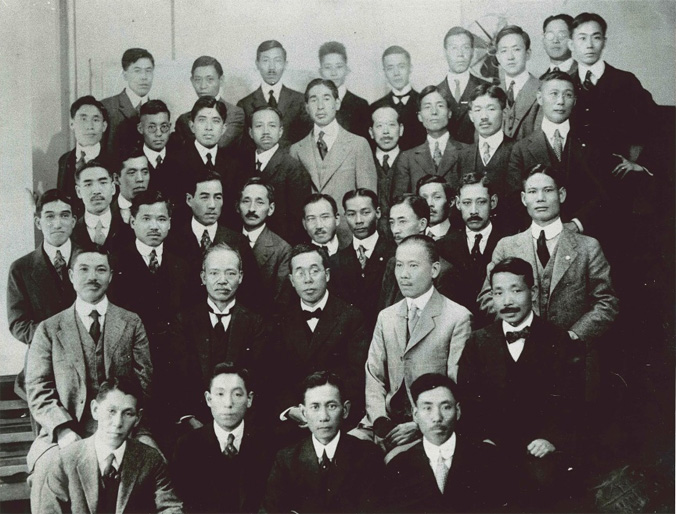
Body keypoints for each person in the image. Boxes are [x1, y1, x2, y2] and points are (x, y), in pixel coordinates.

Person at [25, 246, 154, 512]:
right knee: (47, 469)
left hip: (123, 426)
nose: (92, 277)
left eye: (100, 270)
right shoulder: (49, 329)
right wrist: (62, 430)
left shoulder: (131, 323)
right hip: (66, 431)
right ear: (71, 275)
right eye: (84, 269)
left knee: (155, 462)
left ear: (111, 276)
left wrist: (123, 425)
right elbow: (38, 389)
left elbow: (144, 379)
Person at [478, 165, 619, 396]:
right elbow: (487, 297)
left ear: (561, 195)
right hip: (518, 357)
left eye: (548, 190)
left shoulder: (588, 247)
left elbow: (606, 303)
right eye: (532, 191)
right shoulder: (507, 246)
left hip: (574, 362)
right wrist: (519, 327)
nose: (540, 198)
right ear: (523, 198)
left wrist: (572, 337)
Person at [459, 257, 584, 510]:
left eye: (516, 290)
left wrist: (550, 438)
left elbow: (571, 401)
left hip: (540, 448)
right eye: (498, 293)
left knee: (541, 486)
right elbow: (468, 399)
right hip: (493, 446)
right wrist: (483, 439)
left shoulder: (558, 339)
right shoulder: (478, 342)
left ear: (533, 292)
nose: (507, 301)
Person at [359, 235, 471, 452]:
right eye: (399, 265)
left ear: (434, 270)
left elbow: (454, 385)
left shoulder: (458, 318)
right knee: (347, 453)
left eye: (413, 266)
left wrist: (420, 424)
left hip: (428, 425)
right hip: (382, 421)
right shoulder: (386, 316)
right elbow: (374, 375)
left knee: (394, 461)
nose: (404, 274)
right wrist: (380, 421)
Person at [41, 377, 183, 513]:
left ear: (138, 418)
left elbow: (170, 507)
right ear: (95, 410)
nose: (118, 423)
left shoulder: (151, 460)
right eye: (111, 411)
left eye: (128, 414)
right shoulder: (64, 460)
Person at [170, 244, 269, 428]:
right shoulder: (183, 321)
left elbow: (259, 379)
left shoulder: (255, 323)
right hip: (194, 423)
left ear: (240, 277)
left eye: (230, 273)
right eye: (214, 273)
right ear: (203, 277)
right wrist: (191, 419)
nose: (222, 281)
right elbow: (176, 377)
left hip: (242, 422)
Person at [275, 245, 368, 434]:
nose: (308, 279)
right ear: (292, 280)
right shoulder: (280, 320)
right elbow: (275, 375)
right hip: (296, 422)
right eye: (300, 273)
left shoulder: (352, 317)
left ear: (327, 274)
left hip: (339, 421)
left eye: (314, 271)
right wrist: (290, 409)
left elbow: (357, 376)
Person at [262, 371, 384, 513]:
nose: (323, 417)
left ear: (345, 410)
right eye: (315, 407)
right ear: (304, 413)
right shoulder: (286, 459)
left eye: (331, 406)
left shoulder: (367, 455)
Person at [383, 374, 501, 513]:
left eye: (446, 407)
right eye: (427, 408)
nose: (437, 417)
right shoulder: (399, 466)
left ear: (458, 411)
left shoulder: (487, 457)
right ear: (415, 415)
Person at [508, 70, 606, 236]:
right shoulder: (521, 149)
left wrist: (576, 224)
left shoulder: (591, 145)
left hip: (583, 234)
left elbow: (601, 194)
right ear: (540, 98)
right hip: (537, 235)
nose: (560, 101)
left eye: (568, 95)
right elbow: (515, 197)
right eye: (554, 94)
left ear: (575, 101)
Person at [172, 362, 274, 513]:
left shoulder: (269, 445)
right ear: (208, 399)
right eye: (220, 394)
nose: (228, 403)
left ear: (249, 399)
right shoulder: (187, 446)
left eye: (237, 394)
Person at [7, 190, 78, 401]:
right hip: (44, 362)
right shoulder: (21, 268)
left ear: (74, 221)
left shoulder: (92, 258)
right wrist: (54, 336)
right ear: (38, 222)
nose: (57, 223)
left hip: (88, 360)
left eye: (64, 215)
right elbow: (18, 323)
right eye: (49, 216)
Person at [290, 78, 377, 243]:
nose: (320, 106)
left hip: (348, 237)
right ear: (306, 107)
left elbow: (368, 201)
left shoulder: (358, 144)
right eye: (314, 100)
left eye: (326, 98)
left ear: (337, 103)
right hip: (311, 239)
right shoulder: (296, 150)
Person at [568, 12, 657, 165]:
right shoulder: (566, 83)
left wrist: (639, 164)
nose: (589, 45)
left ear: (604, 42)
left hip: (616, 170)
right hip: (574, 169)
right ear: (571, 44)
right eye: (582, 38)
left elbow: (653, 124)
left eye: (596, 37)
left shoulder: (625, 81)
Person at [167, 171, 263, 311]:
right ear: (189, 200)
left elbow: (252, 293)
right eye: (204, 197)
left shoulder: (237, 241)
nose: (212, 205)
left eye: (218, 197)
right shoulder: (172, 241)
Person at [230, 105, 311, 244]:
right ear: (250, 132)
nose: (266, 132)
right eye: (259, 126)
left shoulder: (293, 168)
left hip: (279, 246)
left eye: (272, 126)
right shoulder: (240, 165)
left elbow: (297, 222)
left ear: (280, 131)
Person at [437, 173, 506, 322]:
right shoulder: (443, 247)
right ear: (458, 203)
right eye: (467, 203)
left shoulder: (508, 243)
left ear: (493, 202)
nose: (474, 210)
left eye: (481, 202)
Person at [378, 194, 461, 309]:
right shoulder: (392, 263)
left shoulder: (443, 271)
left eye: (402, 221)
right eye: (392, 222)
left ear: (422, 224)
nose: (395, 230)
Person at [329, 188, 396, 329]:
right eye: (351, 214)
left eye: (365, 213)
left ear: (378, 213)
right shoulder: (336, 261)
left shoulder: (394, 254)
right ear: (344, 216)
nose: (358, 221)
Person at [175, 96, 245, 228]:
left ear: (223, 128)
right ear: (192, 126)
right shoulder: (175, 162)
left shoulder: (235, 165)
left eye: (215, 121)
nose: (209, 127)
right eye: (202, 120)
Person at [457, 83, 518, 229]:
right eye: (478, 110)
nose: (484, 117)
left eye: (491, 109)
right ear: (471, 116)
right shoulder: (463, 155)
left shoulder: (518, 150)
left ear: (504, 113)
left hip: (511, 231)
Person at [390, 85, 467, 200]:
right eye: (427, 107)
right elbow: (400, 200)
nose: (434, 112)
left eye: (440, 106)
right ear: (420, 116)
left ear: (449, 113)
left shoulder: (467, 152)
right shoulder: (407, 158)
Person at [237, 40, 310, 146]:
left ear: (285, 64)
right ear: (257, 64)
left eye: (277, 60)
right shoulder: (244, 104)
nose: (271, 67)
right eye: (265, 60)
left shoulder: (300, 100)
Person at [238, 177, 292, 306]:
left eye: (259, 202)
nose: (251, 209)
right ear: (237, 206)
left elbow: (281, 304)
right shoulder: (226, 240)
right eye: (246, 201)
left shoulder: (282, 250)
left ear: (271, 208)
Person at [173, 55, 245, 149]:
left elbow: (219, 145)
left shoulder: (234, 113)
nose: (203, 86)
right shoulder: (183, 120)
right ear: (192, 81)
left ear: (221, 80)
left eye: (210, 79)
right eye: (198, 80)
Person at [437, 26, 491, 144]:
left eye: (465, 47)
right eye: (454, 48)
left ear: (472, 52)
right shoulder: (434, 93)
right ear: (445, 53)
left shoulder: (488, 89)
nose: (460, 54)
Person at [57, 96, 109, 214]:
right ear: (72, 124)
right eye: (83, 119)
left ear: (104, 126)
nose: (89, 126)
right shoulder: (64, 160)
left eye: (96, 120)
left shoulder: (115, 160)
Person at [70, 160, 132, 255]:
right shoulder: (71, 233)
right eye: (88, 184)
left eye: (103, 182)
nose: (96, 191)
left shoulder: (130, 229)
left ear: (113, 188)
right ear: (78, 192)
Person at [370, 45, 426, 150]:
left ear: (410, 68)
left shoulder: (424, 103)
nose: (396, 73)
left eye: (401, 66)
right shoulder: (375, 107)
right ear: (384, 72)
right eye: (390, 68)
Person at [101, 48, 155, 154]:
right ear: (125, 75)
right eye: (137, 71)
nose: (144, 77)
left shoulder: (158, 110)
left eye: (148, 71)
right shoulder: (107, 107)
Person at [496, 26, 541, 140]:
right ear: (498, 57)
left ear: (528, 54)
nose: (510, 57)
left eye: (516, 49)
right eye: (504, 51)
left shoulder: (542, 89)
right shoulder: (492, 92)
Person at [318, 41, 370, 138]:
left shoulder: (360, 105)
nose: (334, 73)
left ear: (347, 69)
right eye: (328, 67)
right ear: (320, 71)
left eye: (339, 67)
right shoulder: (314, 104)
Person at [369, 105, 403, 233]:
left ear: (401, 129)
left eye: (391, 125)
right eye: (379, 126)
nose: (386, 132)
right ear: (371, 132)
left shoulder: (411, 160)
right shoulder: (365, 161)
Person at [137, 100, 180, 199]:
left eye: (164, 127)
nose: (159, 134)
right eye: (152, 127)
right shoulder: (133, 160)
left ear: (170, 127)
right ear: (140, 128)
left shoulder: (180, 159)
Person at [113, 145, 151, 224]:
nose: (140, 179)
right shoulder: (106, 212)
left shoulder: (163, 210)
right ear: (116, 179)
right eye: (132, 173)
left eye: (145, 172)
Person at [417, 175, 454, 239]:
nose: (429, 204)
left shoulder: (462, 237)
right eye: (424, 198)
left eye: (437, 197)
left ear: (451, 202)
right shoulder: (413, 235)